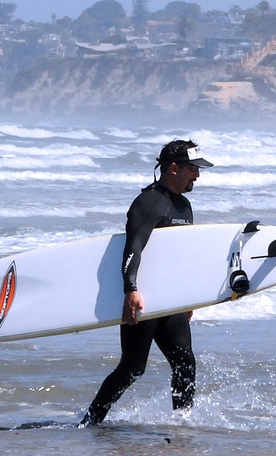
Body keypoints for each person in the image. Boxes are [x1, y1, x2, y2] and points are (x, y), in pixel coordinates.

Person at [79, 139, 214, 427]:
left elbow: (180, 257)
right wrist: (131, 290)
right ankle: (91, 421)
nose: (198, 176)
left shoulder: (184, 206)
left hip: (170, 301)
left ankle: (182, 424)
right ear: (174, 168)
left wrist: (189, 299)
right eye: (193, 169)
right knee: (132, 368)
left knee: (185, 363)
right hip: (142, 298)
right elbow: (133, 248)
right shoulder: (148, 202)